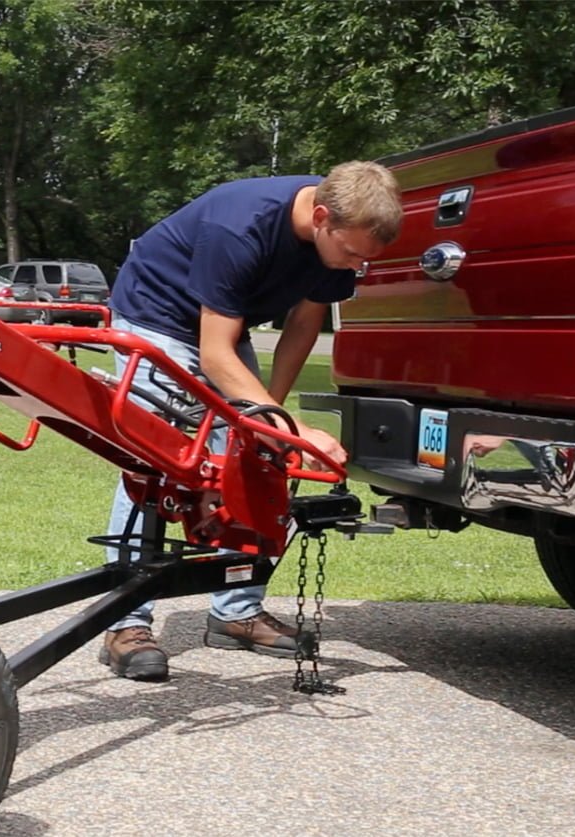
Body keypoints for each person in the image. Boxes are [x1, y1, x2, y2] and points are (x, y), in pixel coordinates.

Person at [98, 161, 403, 681]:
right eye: (352, 254)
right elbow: (216, 354)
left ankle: (236, 613)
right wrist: (292, 428)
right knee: (158, 459)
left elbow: (304, 324)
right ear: (321, 216)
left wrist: (269, 424)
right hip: (158, 314)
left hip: (223, 322)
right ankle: (126, 625)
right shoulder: (241, 226)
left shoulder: (337, 245)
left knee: (260, 459)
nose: (355, 267)